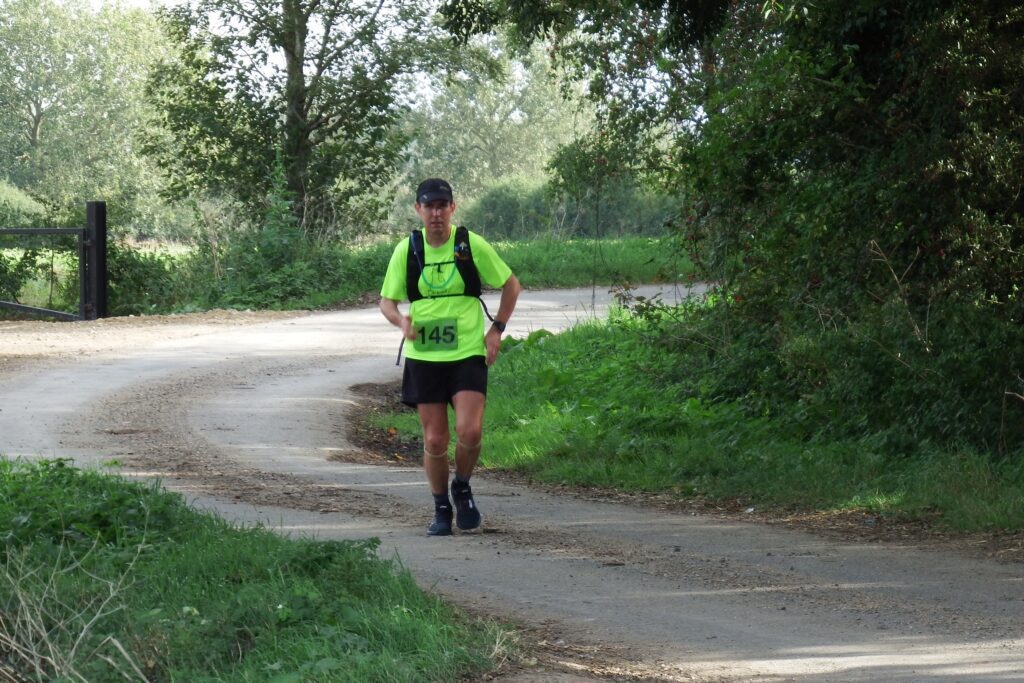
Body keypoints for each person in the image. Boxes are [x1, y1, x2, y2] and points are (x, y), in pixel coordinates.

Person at [379, 178, 522, 536]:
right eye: (430, 206)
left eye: (443, 205)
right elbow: (386, 301)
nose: (436, 213)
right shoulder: (407, 250)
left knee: (469, 431)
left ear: (453, 208)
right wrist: (401, 321)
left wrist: (497, 329)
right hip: (424, 355)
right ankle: (442, 507)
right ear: (419, 210)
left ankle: (462, 484)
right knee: (435, 440)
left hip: (467, 352)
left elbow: (511, 284)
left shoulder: (468, 244)